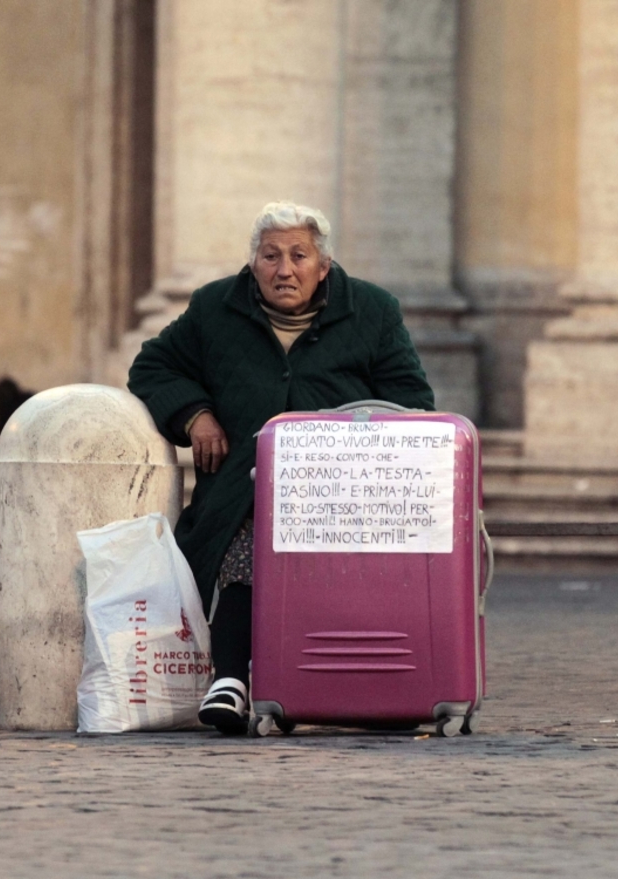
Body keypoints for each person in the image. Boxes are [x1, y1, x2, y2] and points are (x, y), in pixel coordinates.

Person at [129, 202, 434, 734]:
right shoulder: (214, 308)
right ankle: (230, 682)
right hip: (245, 486)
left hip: (345, 493)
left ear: (324, 265)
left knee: (307, 551)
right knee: (252, 536)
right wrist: (196, 416)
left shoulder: (373, 311)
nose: (284, 269)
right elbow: (153, 364)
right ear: (253, 264)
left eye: (298, 255)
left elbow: (413, 404)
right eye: (270, 256)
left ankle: (362, 687)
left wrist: (352, 447)